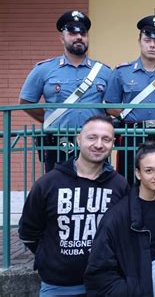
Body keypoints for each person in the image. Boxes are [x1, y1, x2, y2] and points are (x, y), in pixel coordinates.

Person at [18, 115, 128, 297]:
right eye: (92, 137)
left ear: (113, 143)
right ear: (78, 139)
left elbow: (123, 233)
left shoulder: (119, 185)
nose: (99, 144)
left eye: (106, 139)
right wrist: (51, 258)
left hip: (105, 285)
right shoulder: (48, 183)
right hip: (58, 287)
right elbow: (28, 232)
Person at [19, 10, 112, 172]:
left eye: (83, 33)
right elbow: (26, 102)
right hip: (58, 141)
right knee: (57, 189)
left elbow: (113, 105)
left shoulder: (104, 71)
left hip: (95, 142)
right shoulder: (44, 69)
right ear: (62, 38)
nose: (78, 37)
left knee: (96, 189)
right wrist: (51, 119)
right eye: (72, 33)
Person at [84, 141, 155, 296]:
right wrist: (132, 290)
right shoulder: (117, 216)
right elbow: (98, 273)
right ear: (138, 173)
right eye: (149, 170)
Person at [104, 15, 155, 188]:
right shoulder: (121, 72)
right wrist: (132, 116)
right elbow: (111, 105)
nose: (152, 45)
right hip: (132, 134)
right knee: (128, 180)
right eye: (147, 40)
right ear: (139, 41)